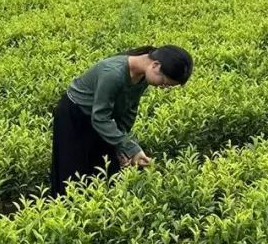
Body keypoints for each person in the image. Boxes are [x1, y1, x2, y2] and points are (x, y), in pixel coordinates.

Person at [49, 44, 193, 196]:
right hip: (75, 115)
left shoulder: (143, 76)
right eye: (164, 82)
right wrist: (130, 147)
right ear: (155, 65)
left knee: (105, 169)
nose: (163, 87)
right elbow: (100, 118)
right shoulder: (113, 73)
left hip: (99, 118)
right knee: (72, 173)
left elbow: (129, 109)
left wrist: (123, 146)